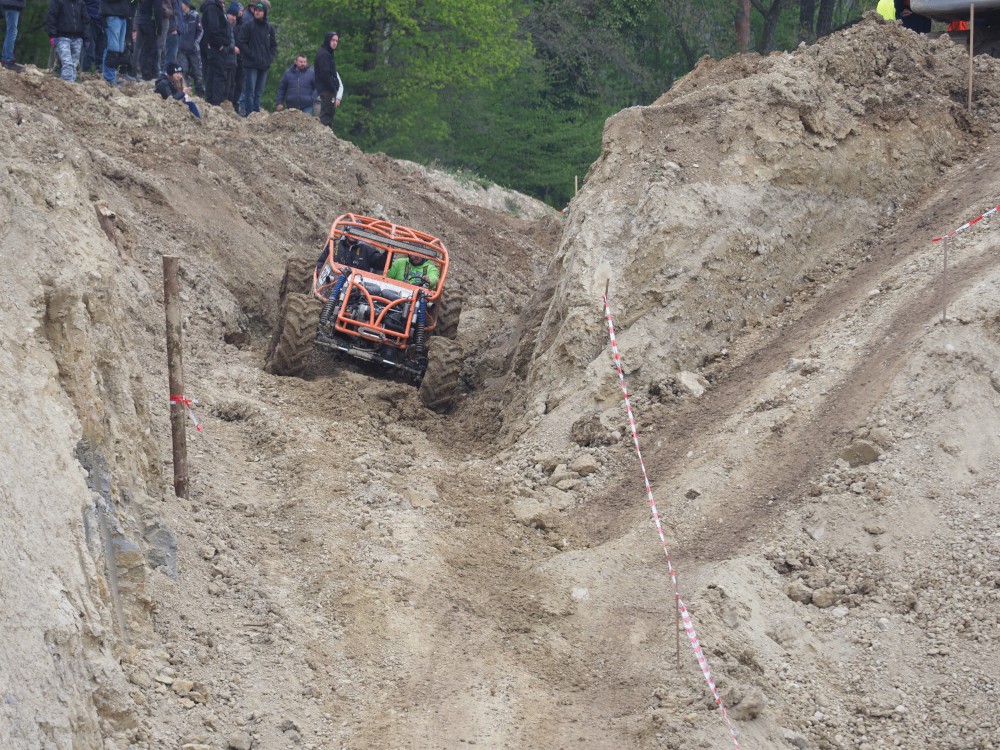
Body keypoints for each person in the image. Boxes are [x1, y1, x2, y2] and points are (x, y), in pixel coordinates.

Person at [236, 0, 274, 115]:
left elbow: (273, 45)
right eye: (256, 10)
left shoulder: (269, 28)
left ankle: (256, 112)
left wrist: (269, 59)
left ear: (265, 12)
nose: (257, 12)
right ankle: (249, 113)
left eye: (260, 10)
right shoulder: (248, 25)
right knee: (250, 91)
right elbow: (241, 42)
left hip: (263, 65)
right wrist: (251, 54)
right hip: (251, 64)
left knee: (258, 92)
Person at [201, 0, 234, 105]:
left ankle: (211, 101)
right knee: (219, 75)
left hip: (217, 47)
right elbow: (213, 29)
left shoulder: (217, 8)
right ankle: (215, 103)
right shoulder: (212, 8)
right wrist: (220, 45)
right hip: (216, 48)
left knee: (213, 74)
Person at [48, 0, 88, 83]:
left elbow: (86, 20)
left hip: (78, 38)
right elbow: (51, 17)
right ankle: (67, 83)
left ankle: (71, 85)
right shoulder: (58, 1)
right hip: (62, 37)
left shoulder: (81, 3)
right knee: (67, 63)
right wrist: (52, 35)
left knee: (74, 64)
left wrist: (86, 37)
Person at [314, 30, 343, 130]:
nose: (335, 43)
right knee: (326, 116)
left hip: (329, 90)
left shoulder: (328, 53)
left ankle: (327, 134)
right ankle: (324, 135)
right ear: (328, 40)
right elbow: (325, 74)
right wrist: (333, 86)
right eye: (333, 40)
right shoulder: (324, 54)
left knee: (329, 114)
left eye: (337, 41)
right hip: (326, 90)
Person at [99, 0, 129, 85]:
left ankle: (112, 76)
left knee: (119, 50)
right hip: (111, 15)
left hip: (122, 15)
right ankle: (109, 78)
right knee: (112, 49)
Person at [177, 0, 203, 95]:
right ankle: (186, 94)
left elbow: (200, 31)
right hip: (182, 50)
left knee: (197, 73)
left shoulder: (195, 15)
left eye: (182, 3)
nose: (180, 5)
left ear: (186, 4)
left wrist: (195, 43)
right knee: (183, 72)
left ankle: (200, 94)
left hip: (194, 50)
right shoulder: (178, 15)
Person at [134, 0, 162, 80]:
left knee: (142, 47)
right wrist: (159, 28)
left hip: (140, 21)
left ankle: (150, 72)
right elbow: (158, 10)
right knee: (150, 49)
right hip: (149, 23)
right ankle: (147, 73)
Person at [0, 0, 25, 72]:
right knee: (12, 31)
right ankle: (8, 60)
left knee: (11, 31)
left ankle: (5, 59)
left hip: (8, 3)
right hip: (12, 3)